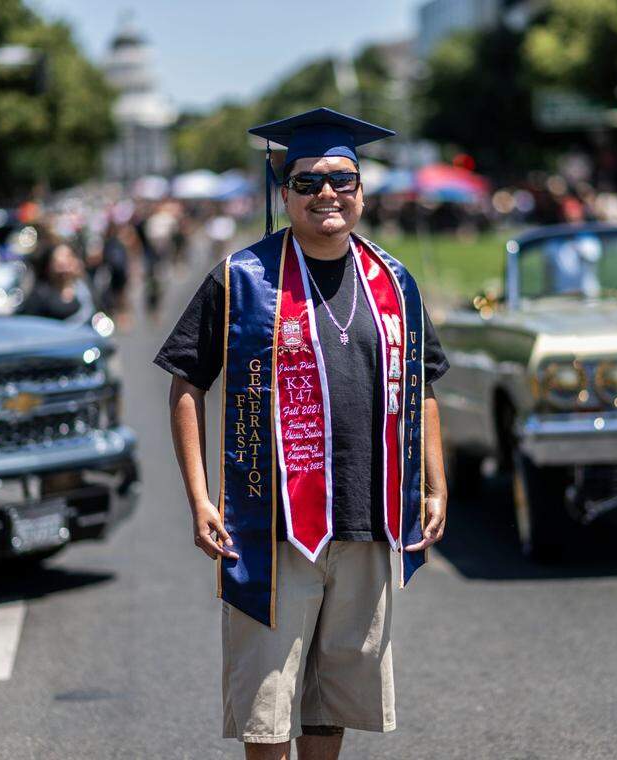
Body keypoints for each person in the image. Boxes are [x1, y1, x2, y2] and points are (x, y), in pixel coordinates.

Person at [155, 108, 449, 759]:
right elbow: (184, 380)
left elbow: (423, 384)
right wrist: (200, 499)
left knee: (334, 699)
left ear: (362, 192)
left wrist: (434, 484)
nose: (327, 194)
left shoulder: (395, 284)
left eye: (341, 179)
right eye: (309, 181)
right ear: (283, 193)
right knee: (268, 707)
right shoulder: (242, 280)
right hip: (273, 526)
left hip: (368, 519)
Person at [18, 239, 96, 325]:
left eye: (69, 257)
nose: (64, 264)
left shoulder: (85, 290)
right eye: (58, 261)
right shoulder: (41, 294)